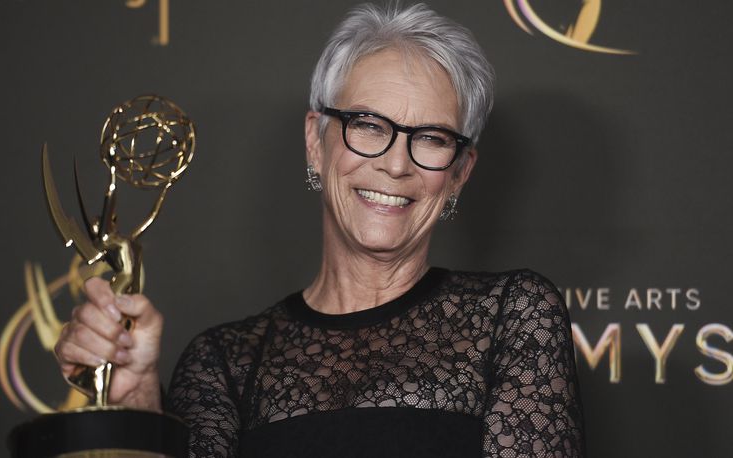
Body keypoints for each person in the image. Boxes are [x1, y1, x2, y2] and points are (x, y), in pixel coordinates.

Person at [54, 3, 586, 457]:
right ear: (317, 140)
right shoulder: (226, 362)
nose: (396, 165)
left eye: (430, 138)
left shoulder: (510, 316)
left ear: (459, 172)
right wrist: (137, 406)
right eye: (369, 126)